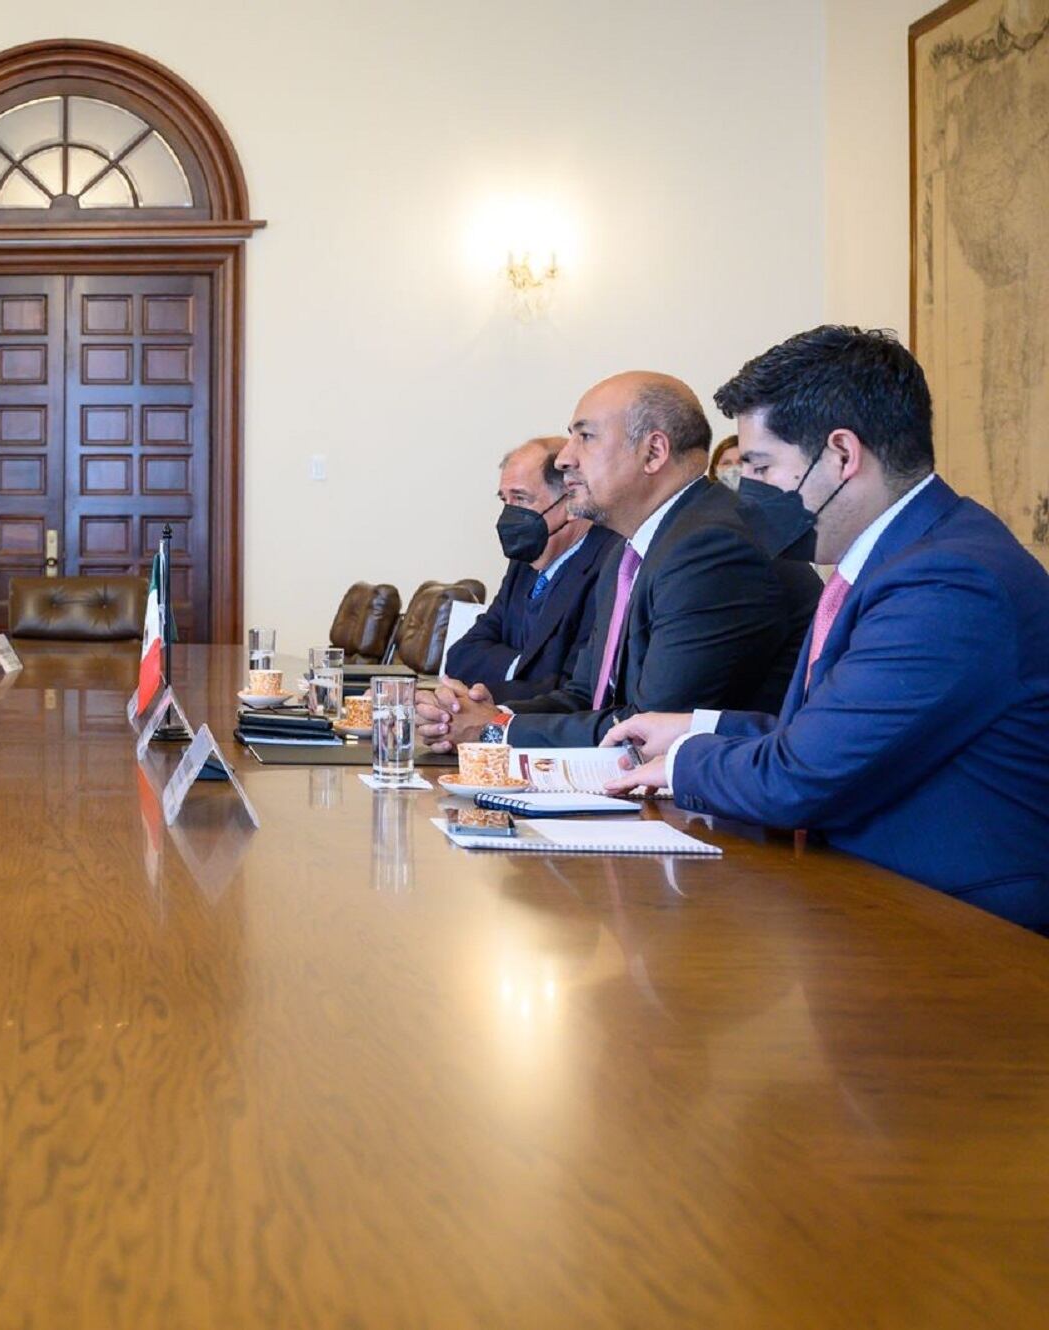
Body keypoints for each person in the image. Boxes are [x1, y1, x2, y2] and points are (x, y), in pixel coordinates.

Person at [604, 327, 1049, 930]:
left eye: (760, 466)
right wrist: (699, 726)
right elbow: (835, 733)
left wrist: (684, 762)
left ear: (842, 455)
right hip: (869, 901)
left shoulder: (947, 582)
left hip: (961, 935)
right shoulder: (903, 553)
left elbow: (802, 776)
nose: (747, 494)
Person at [417, 372, 818, 750]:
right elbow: (586, 695)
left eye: (585, 437)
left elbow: (647, 728)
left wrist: (494, 731)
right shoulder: (629, 550)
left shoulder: (711, 548)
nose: (564, 459)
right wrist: (490, 715)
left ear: (654, 452)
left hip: (717, 816)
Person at [442, 436, 618, 701]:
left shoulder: (610, 566)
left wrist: (490, 689)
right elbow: (461, 656)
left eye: (521, 499)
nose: (508, 516)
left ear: (571, 500)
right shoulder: (523, 564)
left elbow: (575, 686)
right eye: (505, 500)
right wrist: (524, 668)